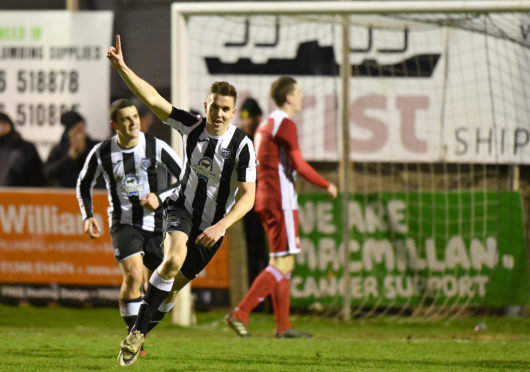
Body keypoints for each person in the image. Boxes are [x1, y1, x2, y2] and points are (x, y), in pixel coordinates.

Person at [107, 35, 256, 367]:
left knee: (172, 290)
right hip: (181, 211)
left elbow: (248, 198)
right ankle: (136, 334)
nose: (218, 114)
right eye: (214, 107)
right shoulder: (192, 127)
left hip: (213, 229)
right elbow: (153, 98)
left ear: (233, 113)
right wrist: (123, 68)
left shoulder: (243, 146)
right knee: (172, 260)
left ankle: (138, 333)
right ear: (206, 107)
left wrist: (221, 226)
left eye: (225, 109)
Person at [226, 76, 338, 339]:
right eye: (298, 93)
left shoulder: (267, 124)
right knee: (283, 262)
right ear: (289, 97)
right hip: (281, 200)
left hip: (264, 198)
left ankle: (283, 326)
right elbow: (299, 165)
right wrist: (327, 185)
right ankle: (241, 312)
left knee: (281, 261)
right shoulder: (285, 124)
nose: (301, 97)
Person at [76, 98, 183, 357]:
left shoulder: (156, 147)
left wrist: (160, 196)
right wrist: (88, 215)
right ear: (114, 124)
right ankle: (135, 336)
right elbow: (84, 183)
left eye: (135, 116)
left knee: (172, 283)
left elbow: (185, 178)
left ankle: (143, 326)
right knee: (134, 275)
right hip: (124, 223)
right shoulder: (103, 152)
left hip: (159, 225)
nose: (133, 122)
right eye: (126, 118)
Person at [238, 98, 269, 288]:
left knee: (266, 250)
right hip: (247, 204)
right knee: (251, 249)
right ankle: (254, 295)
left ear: (258, 118)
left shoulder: (264, 139)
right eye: (243, 117)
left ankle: (268, 295)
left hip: (265, 201)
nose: (246, 122)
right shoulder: (240, 140)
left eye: (249, 117)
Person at [44, 111, 99, 187]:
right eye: (78, 130)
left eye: (83, 130)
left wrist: (84, 152)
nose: (81, 134)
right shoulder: (59, 149)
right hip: (65, 193)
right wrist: (69, 158)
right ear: (69, 132)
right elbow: (48, 173)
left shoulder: (94, 147)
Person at [0, 112, 45, 187]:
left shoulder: (25, 147)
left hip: (22, 193)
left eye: (4, 124)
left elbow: (36, 175)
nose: (1, 128)